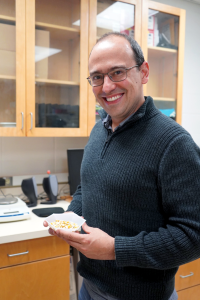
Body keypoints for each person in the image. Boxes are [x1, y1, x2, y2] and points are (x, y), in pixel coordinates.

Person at [44, 32, 200, 300]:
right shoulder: (98, 130)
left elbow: (193, 235)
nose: (106, 87)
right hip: (89, 288)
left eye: (117, 72)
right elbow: (87, 186)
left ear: (144, 72)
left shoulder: (174, 143)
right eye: (97, 77)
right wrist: (68, 219)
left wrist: (115, 249)